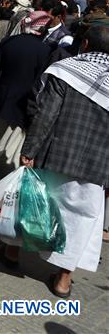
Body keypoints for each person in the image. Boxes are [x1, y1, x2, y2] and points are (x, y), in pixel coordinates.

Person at [17, 23, 109, 298]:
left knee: (36, 202)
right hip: (97, 165)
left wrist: (29, 150)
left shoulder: (66, 70)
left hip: (55, 154)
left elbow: (46, 115)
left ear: (85, 45)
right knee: (82, 218)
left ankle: (11, 250)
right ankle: (64, 280)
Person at [0, 11, 52, 176]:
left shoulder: (10, 42)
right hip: (24, 106)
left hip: (2, 101)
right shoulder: (45, 51)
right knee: (13, 148)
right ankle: (1, 178)